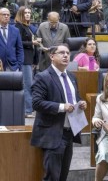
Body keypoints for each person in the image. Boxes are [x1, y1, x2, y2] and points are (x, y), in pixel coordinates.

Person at [30, 44, 88, 181]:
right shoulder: (42, 77)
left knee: (63, 176)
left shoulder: (72, 77)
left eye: (68, 53)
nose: (66, 55)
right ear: (51, 56)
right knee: (52, 177)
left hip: (69, 132)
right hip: (53, 133)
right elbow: (36, 103)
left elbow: (74, 98)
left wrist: (80, 103)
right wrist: (62, 107)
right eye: (61, 53)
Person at [14, 6, 40, 118]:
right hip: (23, 60)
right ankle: (27, 110)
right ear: (21, 14)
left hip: (29, 59)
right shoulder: (18, 27)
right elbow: (18, 44)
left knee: (29, 84)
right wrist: (32, 43)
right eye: (25, 13)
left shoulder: (28, 27)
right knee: (27, 85)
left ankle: (28, 109)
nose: (28, 14)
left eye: (29, 12)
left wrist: (35, 60)